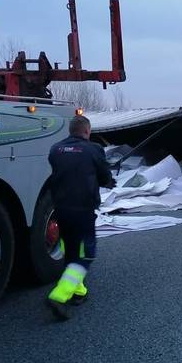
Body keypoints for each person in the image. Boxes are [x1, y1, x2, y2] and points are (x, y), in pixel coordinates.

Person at [46, 115, 115, 319]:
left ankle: (78, 292)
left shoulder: (55, 149)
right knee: (86, 254)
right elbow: (103, 175)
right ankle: (60, 295)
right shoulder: (93, 149)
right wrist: (109, 181)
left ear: (70, 130)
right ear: (87, 131)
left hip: (59, 210)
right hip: (83, 211)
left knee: (71, 250)